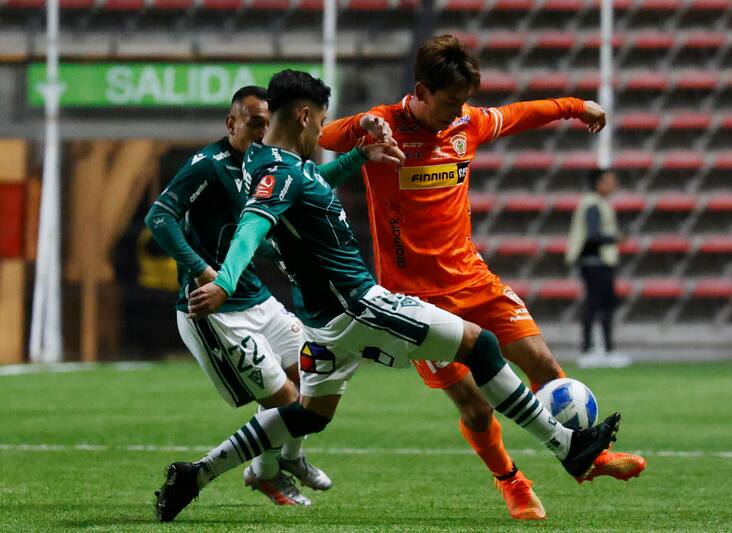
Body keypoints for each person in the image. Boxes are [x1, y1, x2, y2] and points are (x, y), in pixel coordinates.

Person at [154, 69, 623, 523]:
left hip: (322, 323)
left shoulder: (273, 164)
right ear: (303, 116)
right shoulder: (279, 170)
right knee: (480, 345)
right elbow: (252, 226)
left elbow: (308, 189)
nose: (321, 127)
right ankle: (567, 446)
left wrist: (361, 156)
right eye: (319, 118)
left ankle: (198, 473)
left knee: (307, 415)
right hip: (358, 305)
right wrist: (226, 280)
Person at [317, 35, 645, 519]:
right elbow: (323, 137)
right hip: (413, 302)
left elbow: (520, 113)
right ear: (421, 91)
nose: (458, 113)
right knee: (475, 406)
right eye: (449, 102)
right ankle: (512, 482)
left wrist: (577, 106)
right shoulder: (383, 126)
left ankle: (588, 460)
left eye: (463, 102)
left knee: (546, 367)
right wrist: (362, 123)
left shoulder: (466, 124)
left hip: (473, 280)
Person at [145, 85, 333, 507]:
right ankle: (259, 471)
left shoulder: (264, 165)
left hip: (257, 297)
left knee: (315, 370)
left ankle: (279, 465)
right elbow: (159, 216)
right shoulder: (208, 166)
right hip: (216, 311)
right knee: (285, 401)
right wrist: (201, 268)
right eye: (254, 123)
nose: (263, 131)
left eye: (268, 125)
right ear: (231, 123)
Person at [566, 168, 630, 367]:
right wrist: (615, 238)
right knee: (596, 305)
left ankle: (602, 349)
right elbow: (593, 235)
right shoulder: (592, 205)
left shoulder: (597, 204)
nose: (613, 185)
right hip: (595, 261)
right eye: (609, 181)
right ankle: (591, 349)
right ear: (598, 183)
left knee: (603, 305)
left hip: (597, 262)